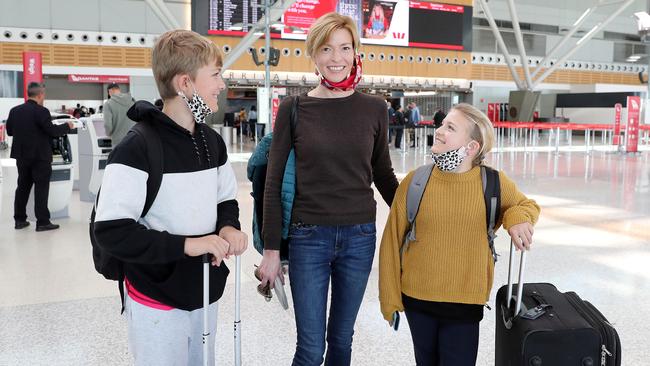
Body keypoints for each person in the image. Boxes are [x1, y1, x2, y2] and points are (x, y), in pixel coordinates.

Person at [93, 29, 248, 366]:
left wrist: (228, 228)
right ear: (185, 84)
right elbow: (111, 231)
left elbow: (225, 201)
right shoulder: (136, 148)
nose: (222, 85)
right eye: (215, 75)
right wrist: (189, 245)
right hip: (156, 297)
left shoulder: (212, 141)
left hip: (205, 290)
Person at [257, 12, 398, 366]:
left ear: (355, 52)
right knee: (309, 349)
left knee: (341, 340)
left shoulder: (374, 108)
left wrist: (416, 215)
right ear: (314, 55)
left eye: (344, 48)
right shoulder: (294, 108)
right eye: (326, 49)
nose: (336, 58)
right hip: (309, 238)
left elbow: (382, 173)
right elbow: (273, 183)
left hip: (360, 237)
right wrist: (272, 251)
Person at [379, 103, 540, 366]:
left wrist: (517, 219)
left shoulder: (493, 183)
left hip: (464, 303)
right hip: (417, 299)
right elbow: (391, 241)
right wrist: (389, 298)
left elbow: (526, 206)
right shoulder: (416, 181)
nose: (439, 131)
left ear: (472, 147)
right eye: (442, 124)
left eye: (450, 128)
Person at [6, 82, 73, 231]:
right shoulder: (42, 111)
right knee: (41, 189)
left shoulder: (15, 111)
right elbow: (52, 131)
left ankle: (20, 220)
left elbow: (10, 131)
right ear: (40, 95)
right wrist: (67, 126)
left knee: (22, 187)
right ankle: (42, 222)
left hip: (22, 156)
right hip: (40, 157)